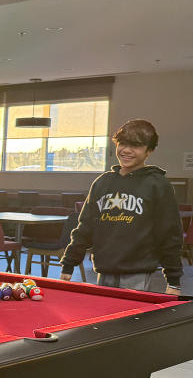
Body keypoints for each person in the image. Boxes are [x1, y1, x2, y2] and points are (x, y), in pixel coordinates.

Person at [60, 119, 183, 294]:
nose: (126, 150)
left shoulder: (158, 184)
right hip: (105, 271)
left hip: (138, 274)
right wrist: (69, 263)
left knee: (132, 321)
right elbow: (85, 227)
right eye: (123, 143)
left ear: (149, 151)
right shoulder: (102, 183)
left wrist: (174, 280)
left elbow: (169, 234)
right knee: (104, 318)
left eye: (136, 146)